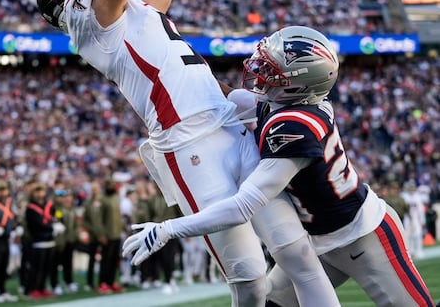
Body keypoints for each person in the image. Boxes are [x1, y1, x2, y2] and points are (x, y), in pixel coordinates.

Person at [35, 0, 339, 306]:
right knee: (250, 279)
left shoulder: (132, 12)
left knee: (297, 254)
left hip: (224, 122)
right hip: (187, 143)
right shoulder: (99, 24)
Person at [123, 25, 435, 307]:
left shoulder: (295, 127)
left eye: (272, 70)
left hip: (363, 235)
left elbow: (243, 206)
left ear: (298, 85)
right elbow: (228, 94)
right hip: (317, 239)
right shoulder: (285, 103)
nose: (259, 70)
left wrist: (168, 229)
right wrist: (178, 66)